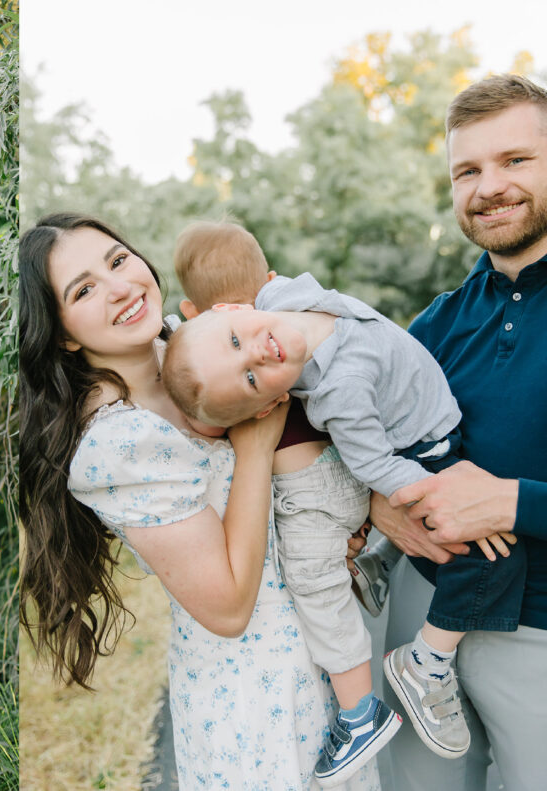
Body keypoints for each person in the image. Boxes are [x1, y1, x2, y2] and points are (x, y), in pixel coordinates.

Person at [19, 212, 380, 790]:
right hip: (257, 696)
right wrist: (257, 448)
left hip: (327, 652)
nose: (118, 287)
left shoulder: (190, 347)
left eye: (117, 261)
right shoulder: (121, 442)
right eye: (83, 289)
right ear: (62, 332)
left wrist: (336, 520)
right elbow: (228, 607)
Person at [163, 265, 522, 763]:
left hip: (436, 424)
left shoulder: (285, 294)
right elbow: (373, 463)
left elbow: (230, 261)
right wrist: (441, 494)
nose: (256, 353)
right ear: (271, 404)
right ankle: (426, 661)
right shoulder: (339, 392)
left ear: (233, 308)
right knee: (492, 555)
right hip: (425, 452)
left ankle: (380, 559)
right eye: (250, 378)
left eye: (232, 338)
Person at [171, 220, 399, 786]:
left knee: (314, 583)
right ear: (268, 279)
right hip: (338, 476)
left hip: (314, 492)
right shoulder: (291, 321)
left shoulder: (230, 359)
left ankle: (360, 711)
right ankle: (370, 568)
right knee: (328, 565)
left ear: (199, 309)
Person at [367, 73, 547, 791]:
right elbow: (361, 448)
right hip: (421, 626)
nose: (488, 186)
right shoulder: (434, 324)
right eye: (466, 170)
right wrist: (380, 504)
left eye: (515, 161)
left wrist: (512, 503)